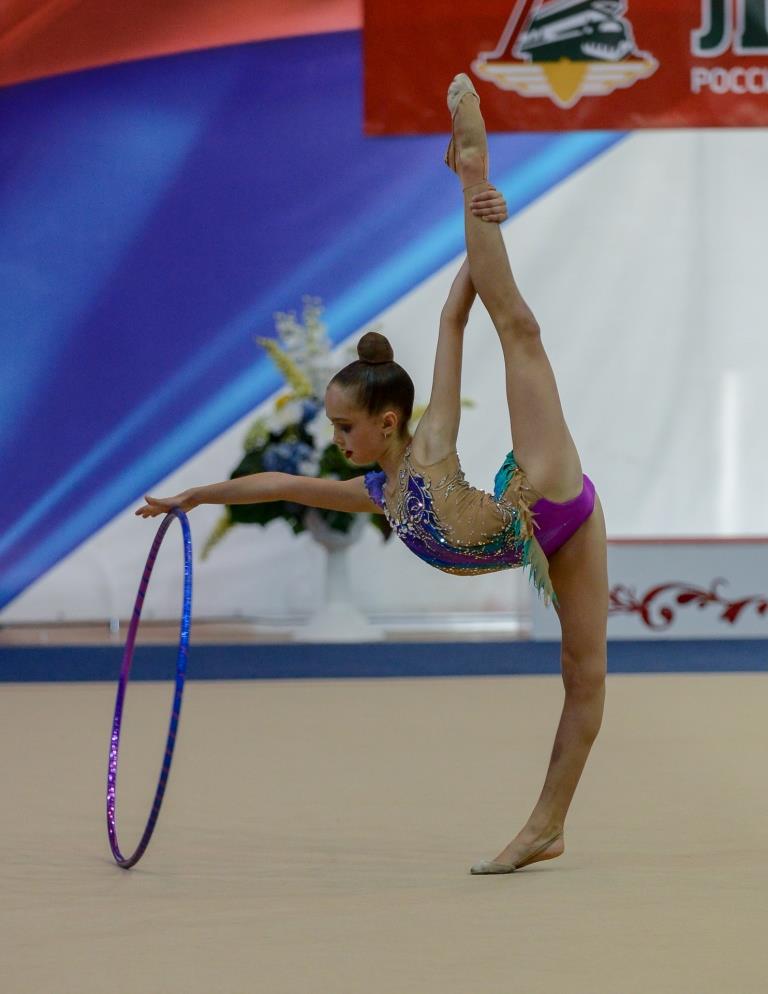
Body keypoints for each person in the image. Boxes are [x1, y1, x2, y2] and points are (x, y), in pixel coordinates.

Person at [135, 73, 608, 876]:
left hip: (544, 493)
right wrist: (196, 495)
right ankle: (548, 827)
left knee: (519, 329)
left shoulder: (428, 446)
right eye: (331, 425)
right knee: (577, 674)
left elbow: (458, 316)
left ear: (387, 422)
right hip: (542, 538)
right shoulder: (378, 494)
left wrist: (481, 214)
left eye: (343, 425)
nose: (336, 437)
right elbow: (277, 485)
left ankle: (473, 166)